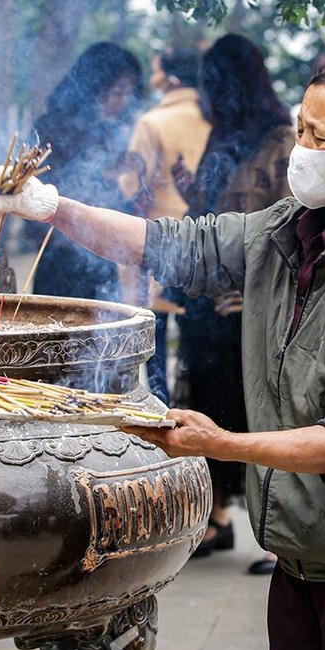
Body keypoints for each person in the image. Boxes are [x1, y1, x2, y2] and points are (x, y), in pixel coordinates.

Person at [0, 61, 325, 650]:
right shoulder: (289, 231)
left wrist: (221, 444)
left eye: (319, 139)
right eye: (298, 130)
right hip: (300, 558)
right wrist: (49, 208)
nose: (300, 150)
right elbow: (170, 246)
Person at [171, 34, 293, 569]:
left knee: (258, 412)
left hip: (251, 303)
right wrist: (184, 189)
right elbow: (210, 214)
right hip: (208, 303)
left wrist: (256, 295)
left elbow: (292, 224)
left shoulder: (281, 139)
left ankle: (278, 536)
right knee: (209, 403)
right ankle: (216, 519)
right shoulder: (222, 133)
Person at [117, 46, 210, 404]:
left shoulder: (151, 122)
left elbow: (132, 185)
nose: (152, 80)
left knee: (154, 347)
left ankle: (161, 415)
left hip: (158, 246)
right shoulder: (212, 117)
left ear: (170, 79)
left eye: (156, 72)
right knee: (195, 345)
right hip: (206, 245)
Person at [29, 42, 143, 305]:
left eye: (129, 93)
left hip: (102, 257)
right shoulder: (52, 128)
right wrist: (111, 174)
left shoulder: (108, 130)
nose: (125, 101)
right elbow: (41, 192)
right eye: (117, 92)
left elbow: (112, 197)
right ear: (94, 89)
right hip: (62, 261)